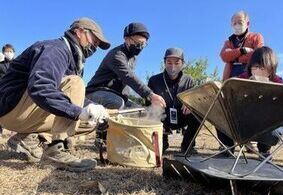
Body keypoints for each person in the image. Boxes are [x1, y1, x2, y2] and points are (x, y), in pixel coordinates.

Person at [0, 17, 111, 172]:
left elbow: (69, 99)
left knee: (91, 122)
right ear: (79, 32)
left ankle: (28, 137)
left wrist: (92, 108)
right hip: (11, 109)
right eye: (94, 40)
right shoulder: (56, 49)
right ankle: (55, 151)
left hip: (21, 112)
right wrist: (78, 111)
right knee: (75, 83)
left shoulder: (71, 58)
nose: (95, 46)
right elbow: (40, 87)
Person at [85, 22, 166, 150]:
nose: (140, 47)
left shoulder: (132, 58)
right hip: (95, 93)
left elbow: (127, 84)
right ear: (126, 39)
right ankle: (101, 138)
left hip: (117, 95)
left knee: (139, 112)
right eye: (138, 43)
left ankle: (125, 139)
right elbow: (128, 77)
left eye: (143, 44)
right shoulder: (117, 55)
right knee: (117, 103)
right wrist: (150, 95)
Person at [217, 46, 283, 158]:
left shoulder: (277, 81)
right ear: (250, 66)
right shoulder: (243, 77)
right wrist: (246, 85)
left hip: (266, 125)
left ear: (271, 69)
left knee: (274, 127)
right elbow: (228, 87)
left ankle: (264, 150)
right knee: (220, 113)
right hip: (243, 122)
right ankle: (227, 149)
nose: (258, 71)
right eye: (256, 67)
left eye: (264, 68)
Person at [148, 48, 200, 153]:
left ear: (183, 63)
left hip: (182, 115)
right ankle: (162, 142)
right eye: (169, 63)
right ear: (164, 62)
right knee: (151, 111)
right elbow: (148, 104)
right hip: (163, 117)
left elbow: (194, 99)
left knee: (199, 113)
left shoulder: (188, 80)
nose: (173, 67)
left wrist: (191, 104)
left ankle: (187, 145)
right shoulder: (154, 80)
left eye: (177, 63)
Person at [220, 11, 264, 81]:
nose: (237, 25)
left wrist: (233, 58)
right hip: (230, 80)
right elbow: (224, 56)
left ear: (247, 24)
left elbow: (259, 55)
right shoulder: (228, 42)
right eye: (234, 23)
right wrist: (242, 50)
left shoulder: (256, 37)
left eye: (240, 22)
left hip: (250, 78)